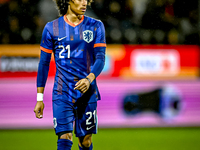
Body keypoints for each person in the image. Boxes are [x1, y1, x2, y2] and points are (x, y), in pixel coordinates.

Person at [33, 0, 106, 150]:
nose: (84, 3)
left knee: (85, 141)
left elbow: (100, 58)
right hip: (62, 92)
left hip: (87, 92)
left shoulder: (96, 26)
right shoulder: (51, 28)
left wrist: (89, 79)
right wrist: (39, 98)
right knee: (64, 137)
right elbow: (44, 64)